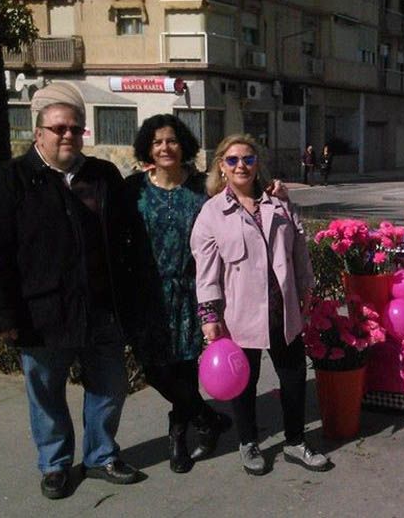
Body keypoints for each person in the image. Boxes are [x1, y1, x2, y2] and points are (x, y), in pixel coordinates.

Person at [0, 82, 141, 500]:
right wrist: (2, 318)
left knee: (110, 388)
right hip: (41, 315)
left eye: (76, 128)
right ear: (38, 131)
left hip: (101, 310)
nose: (68, 135)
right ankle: (56, 463)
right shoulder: (3, 182)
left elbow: (127, 239)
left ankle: (101, 455)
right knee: (46, 394)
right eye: (59, 127)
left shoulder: (103, 176)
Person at [190, 134, 332, 476]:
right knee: (244, 381)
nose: (242, 166)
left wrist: (306, 287)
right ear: (221, 167)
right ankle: (248, 442)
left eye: (249, 159)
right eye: (233, 160)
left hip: (282, 309)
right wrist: (209, 315)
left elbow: (299, 248)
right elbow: (206, 271)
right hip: (240, 314)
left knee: (294, 377)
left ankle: (296, 442)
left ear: (257, 165)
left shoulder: (276, 202)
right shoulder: (212, 213)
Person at [123, 114, 231, 474]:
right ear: (147, 148)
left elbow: (241, 202)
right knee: (153, 369)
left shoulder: (204, 187)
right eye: (156, 142)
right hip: (146, 294)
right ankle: (206, 416)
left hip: (189, 290)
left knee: (184, 369)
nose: (165, 148)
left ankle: (177, 437)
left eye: (171, 140)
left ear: (182, 144)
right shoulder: (133, 188)